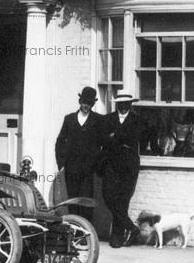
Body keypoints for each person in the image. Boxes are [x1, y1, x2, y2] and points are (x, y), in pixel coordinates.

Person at [101, 91, 148, 248]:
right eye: (120, 103)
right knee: (108, 196)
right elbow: (102, 139)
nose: (123, 106)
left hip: (129, 166)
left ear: (130, 104)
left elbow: (137, 137)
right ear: (117, 104)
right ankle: (132, 228)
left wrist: (114, 136)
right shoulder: (108, 119)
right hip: (111, 164)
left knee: (122, 201)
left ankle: (117, 237)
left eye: (126, 103)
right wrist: (118, 139)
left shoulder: (137, 120)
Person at [54, 87, 105, 223]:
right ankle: (73, 229)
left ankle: (85, 231)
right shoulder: (69, 119)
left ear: (92, 104)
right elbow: (60, 141)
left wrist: (97, 165)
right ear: (80, 101)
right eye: (84, 102)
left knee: (86, 201)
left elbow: (103, 144)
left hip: (88, 170)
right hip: (71, 168)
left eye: (89, 103)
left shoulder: (98, 120)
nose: (86, 106)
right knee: (72, 200)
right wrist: (61, 164)